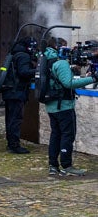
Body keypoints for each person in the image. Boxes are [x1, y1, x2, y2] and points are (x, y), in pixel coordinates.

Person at [41, 37, 96, 177]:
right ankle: (66, 165)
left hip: (52, 105)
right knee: (67, 135)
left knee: (55, 134)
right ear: (59, 48)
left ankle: (53, 165)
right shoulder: (61, 63)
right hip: (63, 105)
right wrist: (93, 78)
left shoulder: (46, 58)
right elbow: (68, 83)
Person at [0, 38, 38, 154]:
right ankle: (14, 145)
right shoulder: (23, 56)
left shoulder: (14, 54)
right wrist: (37, 70)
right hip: (17, 91)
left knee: (10, 119)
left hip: (10, 91)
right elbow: (24, 72)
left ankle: (11, 143)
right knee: (15, 119)